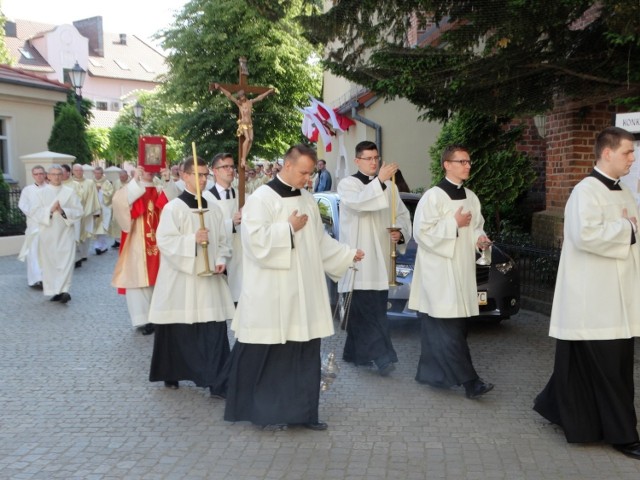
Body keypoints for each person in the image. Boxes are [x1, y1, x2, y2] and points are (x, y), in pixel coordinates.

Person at [224, 144, 364, 431]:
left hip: (305, 292)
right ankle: (261, 413)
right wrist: (287, 228)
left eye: (310, 173)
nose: (307, 178)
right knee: (270, 354)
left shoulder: (307, 198)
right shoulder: (261, 198)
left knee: (304, 353)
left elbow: (320, 241)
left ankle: (302, 414)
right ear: (287, 166)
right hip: (273, 292)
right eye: (303, 172)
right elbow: (254, 243)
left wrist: (346, 254)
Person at [533, 126, 640, 459]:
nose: (632, 159)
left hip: (618, 294)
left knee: (591, 364)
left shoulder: (623, 192)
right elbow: (584, 236)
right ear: (607, 153)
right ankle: (624, 435)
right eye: (627, 152)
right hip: (594, 300)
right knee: (612, 370)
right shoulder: (585, 191)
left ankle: (554, 407)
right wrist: (628, 229)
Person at [408, 144, 494, 399]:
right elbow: (421, 234)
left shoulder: (471, 196)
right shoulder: (432, 197)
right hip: (439, 273)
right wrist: (452, 224)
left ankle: (431, 374)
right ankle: (471, 382)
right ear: (447, 164)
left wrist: (480, 239)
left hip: (461, 269)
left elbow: (477, 226)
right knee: (450, 328)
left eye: (469, 161)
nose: (468, 165)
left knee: (443, 327)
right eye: (462, 161)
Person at [148, 157, 235, 394]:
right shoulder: (173, 208)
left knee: (213, 329)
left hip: (209, 281)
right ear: (184, 176)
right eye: (198, 175)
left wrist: (220, 260)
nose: (203, 179)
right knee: (179, 328)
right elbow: (164, 241)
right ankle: (172, 372)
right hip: (182, 280)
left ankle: (218, 380)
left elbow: (224, 242)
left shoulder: (213, 207)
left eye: (206, 175)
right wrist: (192, 240)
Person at [337, 141, 411, 376]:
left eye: (376, 158)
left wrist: (400, 233)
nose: (373, 162)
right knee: (365, 313)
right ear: (357, 160)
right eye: (368, 158)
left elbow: (402, 215)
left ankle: (353, 353)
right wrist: (379, 181)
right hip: (358, 261)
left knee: (374, 311)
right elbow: (360, 205)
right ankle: (383, 358)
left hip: (380, 261)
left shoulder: (390, 187)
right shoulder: (347, 185)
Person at [111, 166, 178, 335]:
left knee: (161, 276)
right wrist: (136, 180)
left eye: (151, 168)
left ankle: (158, 316)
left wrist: (168, 180)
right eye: (145, 168)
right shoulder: (130, 188)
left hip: (159, 239)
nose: (149, 171)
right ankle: (142, 318)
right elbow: (120, 204)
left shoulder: (159, 188)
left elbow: (175, 203)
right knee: (137, 277)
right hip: (136, 240)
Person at [28, 164, 82, 303]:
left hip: (65, 232)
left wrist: (64, 211)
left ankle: (64, 290)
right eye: (54, 174)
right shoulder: (40, 193)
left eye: (59, 174)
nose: (57, 177)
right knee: (50, 263)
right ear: (48, 176)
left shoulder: (70, 192)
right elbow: (34, 212)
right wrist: (50, 210)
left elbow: (79, 211)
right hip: (48, 233)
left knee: (66, 262)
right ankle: (54, 290)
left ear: (63, 175)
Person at [212, 83, 275, 168]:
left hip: (250, 124)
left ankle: (244, 157)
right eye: (240, 97)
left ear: (244, 96)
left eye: (242, 97)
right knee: (248, 139)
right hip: (243, 124)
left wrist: (268, 91)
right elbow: (229, 96)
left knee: (251, 140)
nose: (241, 99)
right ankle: (243, 159)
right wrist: (220, 87)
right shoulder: (239, 104)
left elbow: (260, 98)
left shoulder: (250, 102)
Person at [209, 152, 243, 303]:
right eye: (225, 167)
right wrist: (231, 223)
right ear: (215, 171)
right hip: (217, 252)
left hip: (240, 252)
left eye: (232, 166)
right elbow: (208, 227)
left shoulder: (242, 195)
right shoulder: (206, 198)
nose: (230, 170)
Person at [18, 165, 47, 288]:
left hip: (47, 226)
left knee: (46, 253)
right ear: (33, 175)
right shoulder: (27, 190)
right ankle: (35, 279)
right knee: (34, 253)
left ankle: (46, 277)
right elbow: (23, 205)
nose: (39, 176)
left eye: (41, 173)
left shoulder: (50, 189)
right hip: (34, 225)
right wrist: (36, 214)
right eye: (36, 174)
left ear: (45, 174)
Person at [71, 163, 100, 267]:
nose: (79, 172)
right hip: (75, 214)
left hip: (87, 212)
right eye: (76, 170)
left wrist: (95, 212)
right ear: (72, 171)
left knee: (86, 233)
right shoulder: (70, 183)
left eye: (80, 170)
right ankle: (76, 254)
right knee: (76, 233)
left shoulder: (90, 183)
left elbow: (94, 197)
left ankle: (84, 254)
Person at [92, 166, 114, 255]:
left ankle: (100, 246)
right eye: (96, 173)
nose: (97, 175)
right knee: (95, 227)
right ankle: (100, 245)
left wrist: (100, 191)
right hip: (94, 208)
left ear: (102, 174)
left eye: (99, 173)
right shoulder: (91, 182)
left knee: (102, 228)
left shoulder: (107, 183)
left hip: (104, 209)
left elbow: (110, 194)